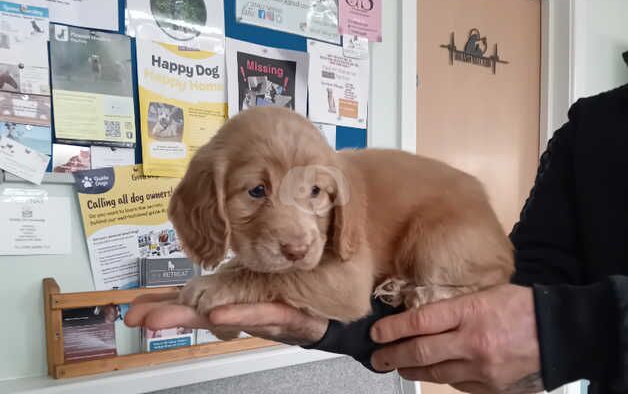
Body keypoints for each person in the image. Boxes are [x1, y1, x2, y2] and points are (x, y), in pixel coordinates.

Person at [126, 85, 628, 394]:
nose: (298, 234)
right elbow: (534, 281)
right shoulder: (595, 127)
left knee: (434, 255)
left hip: (446, 231)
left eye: (316, 193)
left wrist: (243, 282)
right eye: (256, 191)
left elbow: (345, 292)